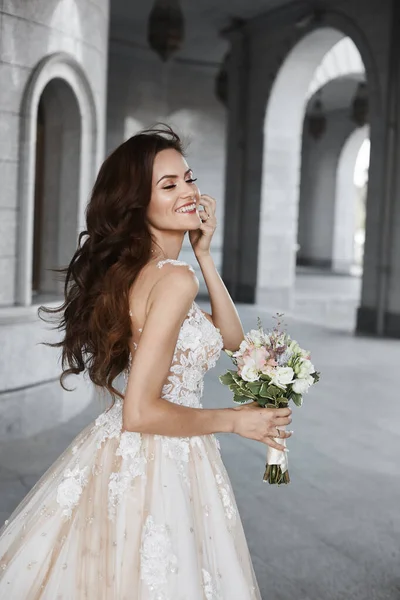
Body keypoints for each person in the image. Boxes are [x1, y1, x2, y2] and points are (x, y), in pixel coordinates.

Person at [0, 125, 292, 599]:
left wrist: (205, 256)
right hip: (160, 451)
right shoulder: (172, 280)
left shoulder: (156, 272)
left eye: (188, 177)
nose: (188, 192)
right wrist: (236, 422)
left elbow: (233, 341)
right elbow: (140, 411)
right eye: (168, 185)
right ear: (138, 204)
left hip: (136, 446)